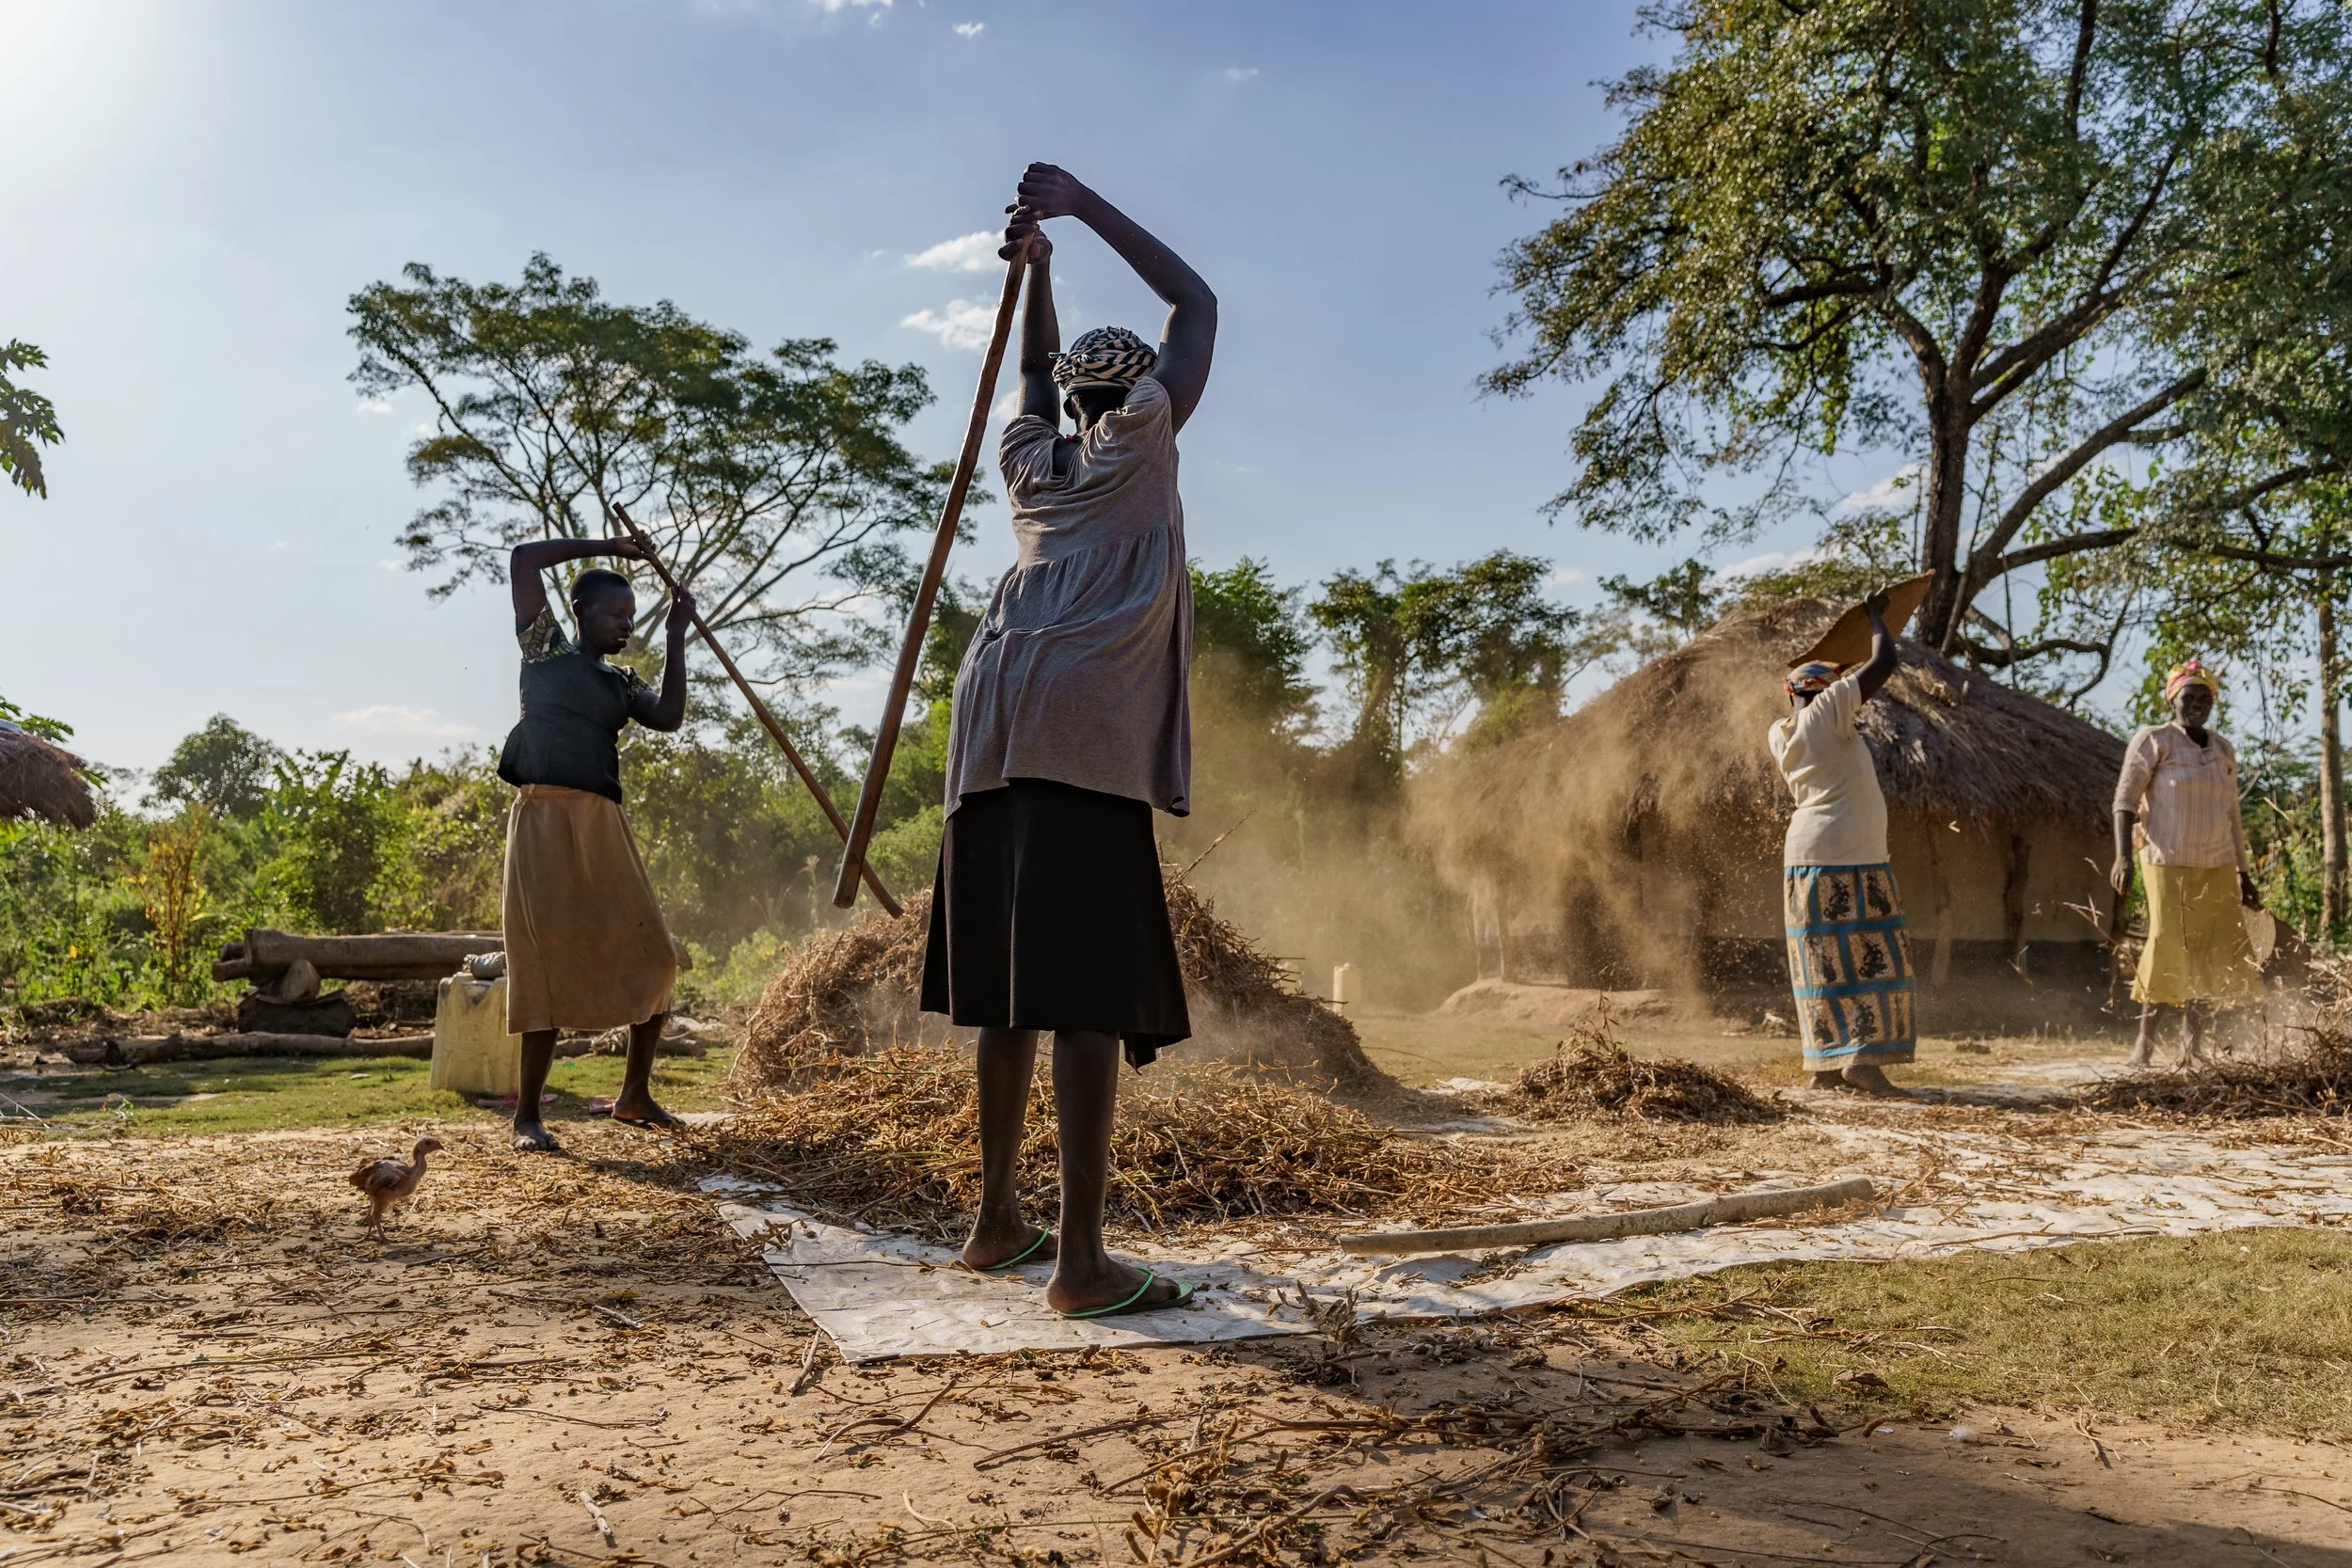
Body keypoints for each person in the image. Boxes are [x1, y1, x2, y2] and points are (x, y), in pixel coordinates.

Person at [918, 164, 1214, 1319]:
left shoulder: (1032, 466)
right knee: (1087, 995)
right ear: (1142, 393)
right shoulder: (1140, 442)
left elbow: (1035, 375)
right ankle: (1080, 1264)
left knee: (1010, 994)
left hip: (990, 725)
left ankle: (997, 1220)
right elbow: (1195, 305)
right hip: (1075, 729)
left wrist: (1036, 274)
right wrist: (1082, 210)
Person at [496, 536, 694, 1152]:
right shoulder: (546, 652)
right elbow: (524, 559)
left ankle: (634, 1093)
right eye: (616, 614)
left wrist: (677, 636)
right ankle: (527, 1115)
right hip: (544, 822)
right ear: (579, 612)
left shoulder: (619, 683)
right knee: (544, 964)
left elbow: (667, 716)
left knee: (657, 954)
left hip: (603, 826)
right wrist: (612, 546)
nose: (626, 625)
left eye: (633, 617)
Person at [1770, 592, 1916, 1096]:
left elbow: (1823, 684)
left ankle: (1825, 1068)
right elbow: (1886, 661)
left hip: (1806, 860)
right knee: (1872, 952)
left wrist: (1836, 652)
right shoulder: (1828, 714)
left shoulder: (1784, 730)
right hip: (1849, 855)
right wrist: (1876, 619)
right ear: (1829, 692)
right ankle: (1865, 1063)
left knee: (1821, 960)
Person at [2109, 660, 2263, 1067]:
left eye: (2204, 698)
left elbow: (2232, 816)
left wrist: (2243, 873)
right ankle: (2144, 1042)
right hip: (2165, 860)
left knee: (2207, 951)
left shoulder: (2223, 749)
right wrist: (2123, 856)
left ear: (2213, 703)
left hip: (2216, 864)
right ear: (2172, 700)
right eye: (2188, 697)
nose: (2196, 704)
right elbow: (2125, 802)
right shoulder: (2154, 740)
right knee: (2166, 943)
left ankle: (2191, 1046)